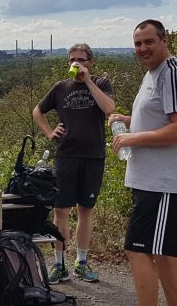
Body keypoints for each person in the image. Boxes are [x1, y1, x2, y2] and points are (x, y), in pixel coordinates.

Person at [105, 20, 177, 306]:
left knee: (138, 249)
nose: (142, 49)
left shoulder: (172, 72)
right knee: (162, 252)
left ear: (164, 40)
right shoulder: (155, 74)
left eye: (149, 42)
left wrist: (132, 138)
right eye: (137, 44)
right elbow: (163, 119)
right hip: (155, 181)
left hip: (164, 182)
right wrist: (130, 122)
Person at [32, 43, 115, 283]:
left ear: (91, 62)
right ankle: (59, 264)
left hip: (93, 155)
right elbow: (37, 111)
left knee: (85, 210)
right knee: (60, 210)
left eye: (80, 59)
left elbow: (109, 109)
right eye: (71, 60)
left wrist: (87, 81)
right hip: (66, 154)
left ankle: (82, 262)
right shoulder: (60, 87)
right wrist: (49, 132)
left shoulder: (101, 84)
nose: (75, 64)